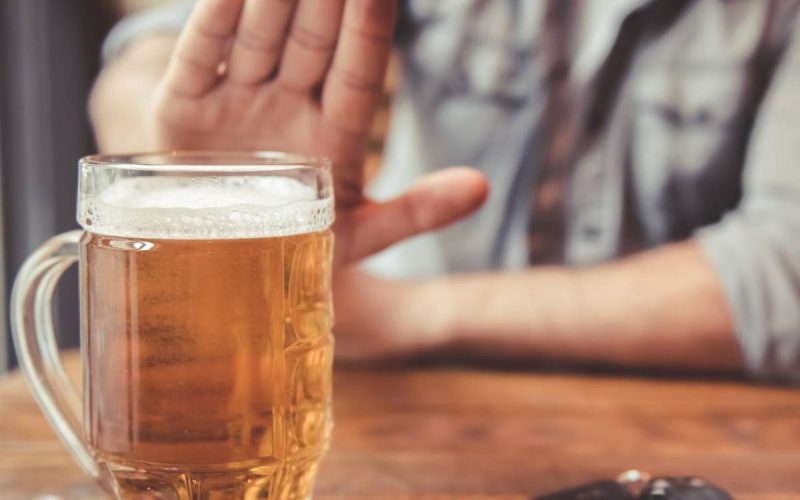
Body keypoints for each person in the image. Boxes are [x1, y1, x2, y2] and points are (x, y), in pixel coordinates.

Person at [90, 0, 800, 380]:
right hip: (365, 377)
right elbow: (148, 51)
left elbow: (786, 270)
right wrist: (184, 174)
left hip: (685, 404)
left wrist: (399, 316)